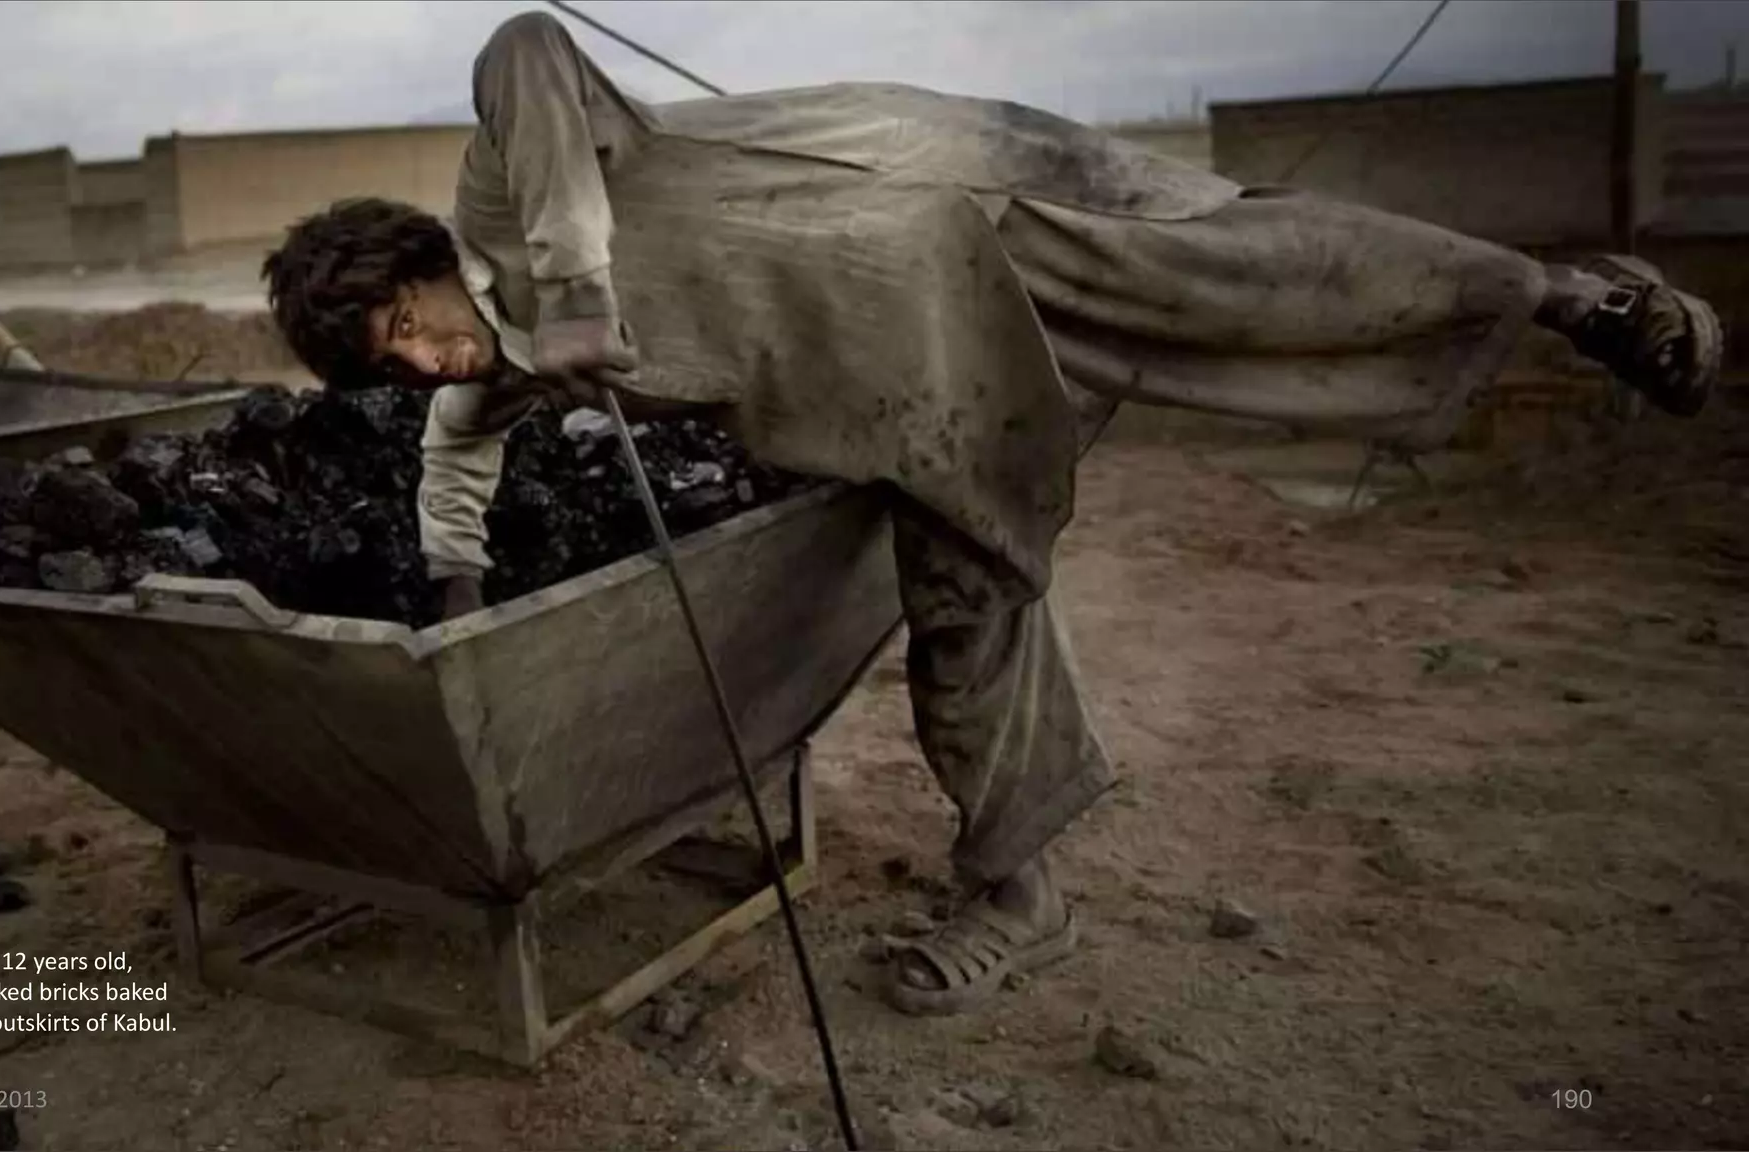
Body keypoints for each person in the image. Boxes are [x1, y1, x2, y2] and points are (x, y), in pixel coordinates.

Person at [261, 11, 1723, 1016]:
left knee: (1263, 278)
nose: (419, 357)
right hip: (922, 392)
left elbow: (526, 43)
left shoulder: (509, 196)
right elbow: (453, 473)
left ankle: (1572, 297)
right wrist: (448, 632)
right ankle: (1019, 895)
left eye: (407, 318)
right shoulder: (488, 379)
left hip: (957, 209)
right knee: (970, 612)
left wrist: (576, 289)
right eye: (385, 360)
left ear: (429, 259)